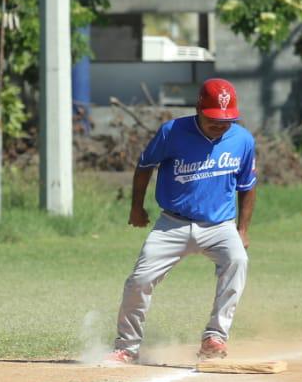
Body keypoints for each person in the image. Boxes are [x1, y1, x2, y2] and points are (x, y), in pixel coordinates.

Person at [103, 78, 258, 365]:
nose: (220, 125)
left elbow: (247, 186)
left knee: (238, 260)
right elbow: (144, 166)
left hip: (219, 226)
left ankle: (215, 337)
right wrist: (136, 207)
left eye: (227, 120)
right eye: (213, 119)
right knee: (139, 281)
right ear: (199, 109)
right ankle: (127, 347)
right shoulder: (172, 132)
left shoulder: (243, 140)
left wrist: (243, 230)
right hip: (171, 223)